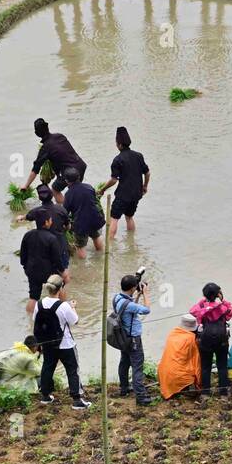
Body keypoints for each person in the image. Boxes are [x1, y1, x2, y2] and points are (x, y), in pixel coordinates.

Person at [35, 276, 90, 409]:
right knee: (72, 370)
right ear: (61, 288)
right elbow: (75, 321)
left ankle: (46, 396)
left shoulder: (39, 303)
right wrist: (73, 307)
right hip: (65, 344)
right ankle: (77, 400)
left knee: (47, 367)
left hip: (48, 343)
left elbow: (35, 319)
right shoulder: (63, 305)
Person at [20, 118, 88, 205]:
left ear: (37, 133)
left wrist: (26, 186)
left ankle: (66, 211)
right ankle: (77, 206)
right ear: (47, 128)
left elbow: (35, 169)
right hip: (81, 166)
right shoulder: (60, 136)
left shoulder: (45, 148)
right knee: (74, 189)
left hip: (69, 171)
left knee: (55, 189)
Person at [99, 126, 149, 240]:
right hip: (136, 194)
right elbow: (147, 173)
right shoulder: (138, 156)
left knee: (114, 219)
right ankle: (131, 242)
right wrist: (145, 186)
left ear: (119, 144)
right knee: (129, 217)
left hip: (123, 195)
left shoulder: (118, 160)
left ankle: (110, 244)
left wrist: (102, 189)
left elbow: (114, 180)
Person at [191, 282, 232, 399]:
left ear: (204, 295)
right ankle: (223, 394)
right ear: (217, 294)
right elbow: (231, 311)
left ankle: (205, 393)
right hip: (222, 340)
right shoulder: (222, 308)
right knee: (222, 366)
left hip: (206, 339)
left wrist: (203, 301)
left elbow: (192, 312)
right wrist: (223, 300)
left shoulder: (201, 308)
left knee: (205, 366)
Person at [113, 274, 152, 405]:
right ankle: (140, 396)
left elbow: (129, 307)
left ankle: (124, 388)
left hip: (123, 337)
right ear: (132, 288)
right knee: (137, 366)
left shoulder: (117, 298)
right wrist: (146, 294)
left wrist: (138, 295)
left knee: (124, 362)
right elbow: (146, 310)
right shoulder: (128, 304)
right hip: (133, 339)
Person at [20, 211, 64, 317]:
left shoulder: (28, 235)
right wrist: (62, 272)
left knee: (33, 297)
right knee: (58, 289)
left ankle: (30, 320)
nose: (51, 221)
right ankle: (62, 311)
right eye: (50, 219)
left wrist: (26, 267)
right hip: (48, 273)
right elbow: (57, 259)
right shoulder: (52, 239)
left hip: (31, 271)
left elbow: (23, 256)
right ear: (46, 222)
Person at [61, 167, 104, 256]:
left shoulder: (69, 194)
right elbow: (95, 200)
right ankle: (100, 256)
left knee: (81, 246)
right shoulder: (89, 187)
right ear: (79, 177)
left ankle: (83, 266)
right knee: (96, 237)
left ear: (66, 181)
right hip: (95, 218)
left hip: (81, 224)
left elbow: (65, 212)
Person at [158, 314, 202, 399]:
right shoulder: (191, 338)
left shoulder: (173, 333)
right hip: (178, 375)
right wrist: (199, 384)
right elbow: (196, 362)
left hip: (163, 372)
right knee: (191, 368)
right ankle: (182, 389)